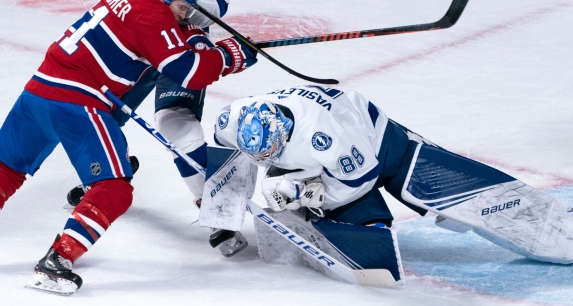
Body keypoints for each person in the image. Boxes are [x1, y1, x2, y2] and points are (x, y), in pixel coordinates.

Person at [0, 0, 257, 295]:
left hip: (38, 91)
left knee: (7, 166)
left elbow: (163, 35)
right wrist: (230, 55)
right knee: (115, 188)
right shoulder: (153, 17)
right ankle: (57, 261)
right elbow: (189, 73)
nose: (185, 15)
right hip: (76, 103)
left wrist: (194, 36)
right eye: (183, 7)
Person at [211, 84, 573, 279]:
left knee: (457, 199)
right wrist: (222, 207)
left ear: (286, 131)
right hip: (338, 146)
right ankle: (354, 224)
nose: (266, 160)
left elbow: (359, 180)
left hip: (384, 148)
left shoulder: (323, 136)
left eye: (272, 151)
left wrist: (305, 193)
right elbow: (223, 150)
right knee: (286, 188)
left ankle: (559, 234)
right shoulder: (237, 118)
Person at [68, 0, 248, 257]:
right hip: (135, 39)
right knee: (99, 111)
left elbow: (217, 8)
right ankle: (112, 174)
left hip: (182, 42)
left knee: (174, 119)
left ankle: (217, 210)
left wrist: (185, 16)